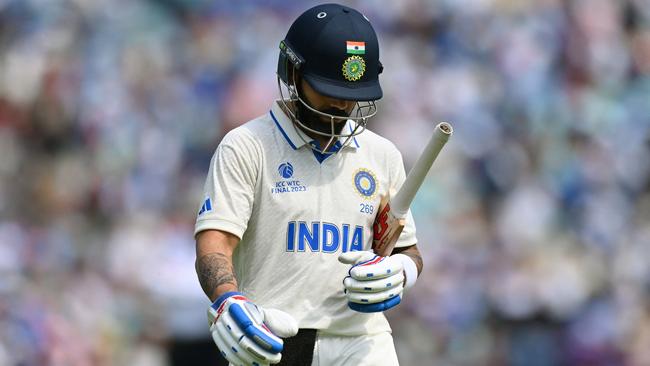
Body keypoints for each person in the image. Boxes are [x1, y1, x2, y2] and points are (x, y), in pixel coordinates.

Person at [194, 3, 424, 365]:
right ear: (292, 72)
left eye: (351, 95)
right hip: (273, 336)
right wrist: (228, 299)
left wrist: (403, 272)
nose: (340, 104)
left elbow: (407, 250)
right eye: (327, 89)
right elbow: (215, 243)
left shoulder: (383, 155)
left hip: (361, 341)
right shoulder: (247, 145)